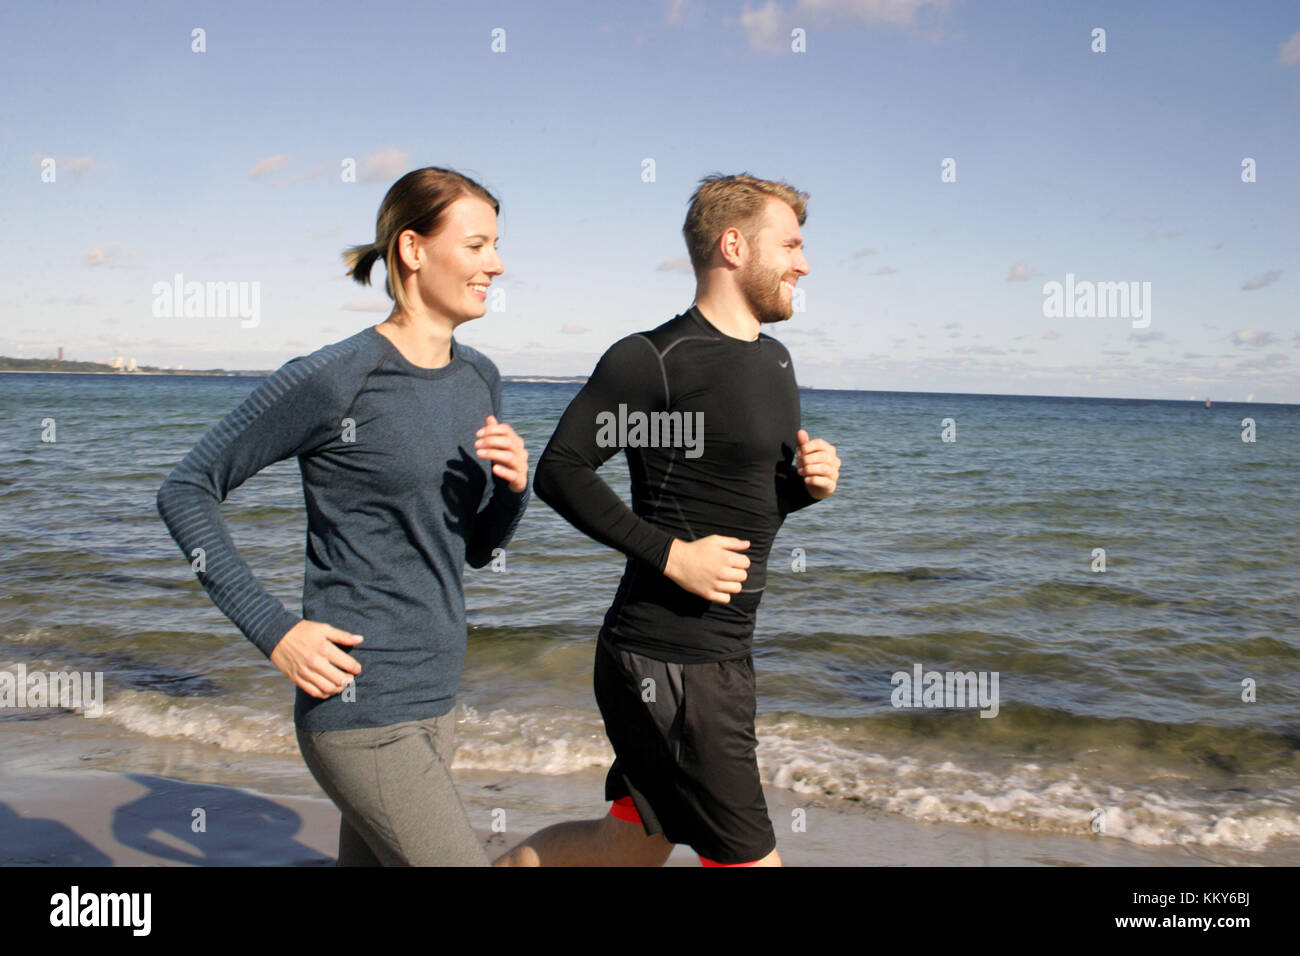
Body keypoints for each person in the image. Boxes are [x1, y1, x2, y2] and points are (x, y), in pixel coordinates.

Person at [156, 166, 530, 866]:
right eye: (478, 245)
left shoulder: (480, 377)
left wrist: (512, 489)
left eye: (496, 246)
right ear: (413, 250)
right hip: (362, 709)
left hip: (438, 701)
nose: (497, 264)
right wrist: (275, 630)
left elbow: (475, 548)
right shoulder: (339, 375)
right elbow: (188, 488)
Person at [495, 172, 840, 867]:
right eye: (792, 244)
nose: (804, 263)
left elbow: (746, 501)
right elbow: (562, 470)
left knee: (624, 848)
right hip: (667, 659)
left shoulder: (775, 360)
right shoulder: (653, 360)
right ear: (734, 246)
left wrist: (805, 487)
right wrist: (673, 556)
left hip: (723, 656)